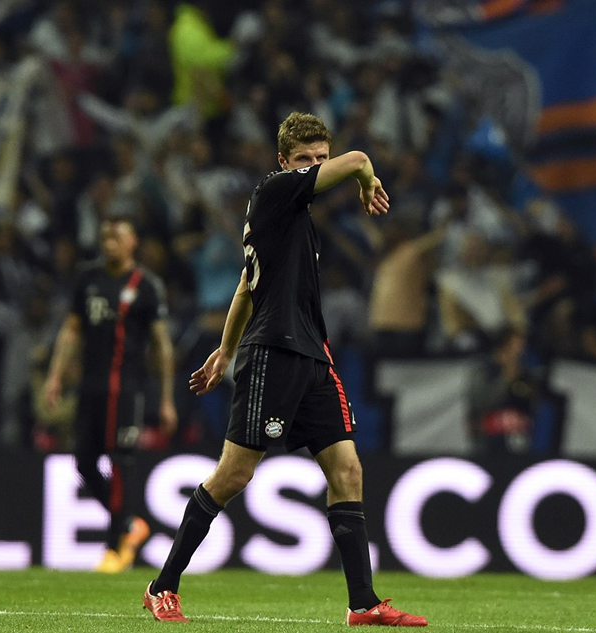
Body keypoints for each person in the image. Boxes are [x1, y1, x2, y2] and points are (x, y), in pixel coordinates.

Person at [141, 112, 428, 626]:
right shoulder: (275, 191)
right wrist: (364, 176)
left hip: (313, 356)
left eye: (320, 158)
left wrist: (224, 351)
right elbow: (359, 159)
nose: (313, 167)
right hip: (273, 353)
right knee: (234, 474)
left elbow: (247, 286)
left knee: (348, 470)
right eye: (304, 160)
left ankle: (363, 604)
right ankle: (162, 586)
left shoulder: (294, 222)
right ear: (282, 162)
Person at [44, 215, 178, 572]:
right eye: (105, 237)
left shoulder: (145, 285)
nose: (109, 243)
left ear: (133, 242)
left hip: (126, 388)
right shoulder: (88, 279)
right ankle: (131, 524)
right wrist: (55, 376)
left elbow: (161, 344)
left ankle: (115, 547)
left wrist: (166, 398)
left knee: (120, 462)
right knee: (84, 462)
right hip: (90, 386)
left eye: (117, 237)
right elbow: (71, 330)